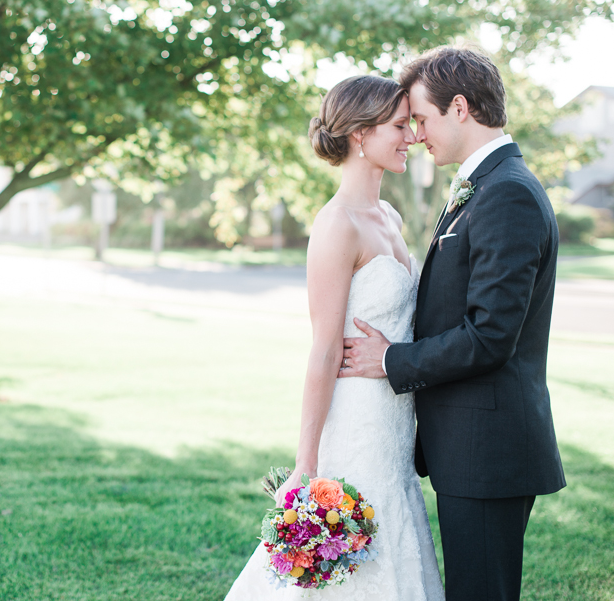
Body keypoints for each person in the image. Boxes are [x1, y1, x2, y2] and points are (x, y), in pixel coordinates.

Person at [339, 46, 566, 601]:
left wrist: (391, 360)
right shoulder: (485, 186)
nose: (415, 134)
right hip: (471, 445)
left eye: (421, 117)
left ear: (459, 107)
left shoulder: (506, 192)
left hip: (488, 447)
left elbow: (489, 335)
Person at [225, 74, 445, 601]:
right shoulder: (336, 224)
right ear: (360, 135)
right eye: (399, 126)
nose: (412, 137)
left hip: (395, 419)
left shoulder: (388, 216)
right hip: (355, 421)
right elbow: (324, 348)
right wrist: (306, 462)